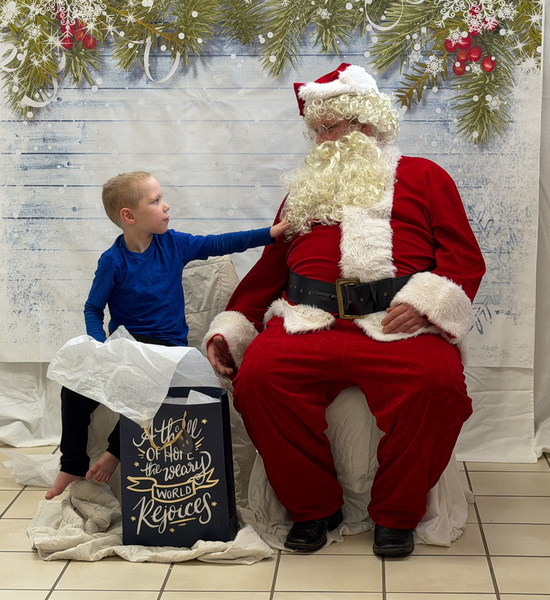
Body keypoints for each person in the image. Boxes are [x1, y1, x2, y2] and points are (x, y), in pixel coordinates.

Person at [204, 63, 485, 557]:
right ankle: (314, 508)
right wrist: (230, 330)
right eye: (315, 130)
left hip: (395, 324)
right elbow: (269, 271)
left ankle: (397, 514)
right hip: (306, 321)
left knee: (437, 386)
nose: (321, 139)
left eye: (329, 127)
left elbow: (463, 258)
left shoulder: (424, 176)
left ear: (365, 123)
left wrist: (427, 305)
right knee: (260, 380)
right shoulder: (305, 192)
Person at [46, 170, 289, 500]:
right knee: (73, 387)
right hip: (127, 346)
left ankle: (115, 453)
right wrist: (99, 343)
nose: (166, 206)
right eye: (156, 201)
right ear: (129, 216)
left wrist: (271, 233)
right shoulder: (112, 262)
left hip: (169, 350)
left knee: (147, 386)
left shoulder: (173, 244)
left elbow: (219, 242)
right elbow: (93, 309)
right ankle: (71, 463)